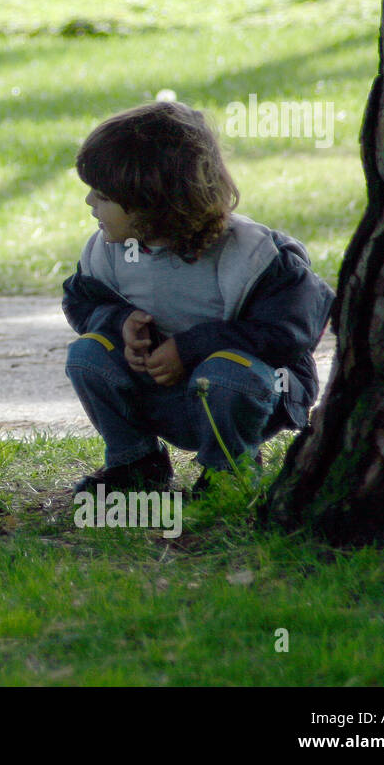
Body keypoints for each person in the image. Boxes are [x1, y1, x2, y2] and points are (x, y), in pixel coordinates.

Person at [60, 101, 335, 496]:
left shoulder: (251, 253)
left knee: (226, 371)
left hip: (251, 393)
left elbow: (290, 332)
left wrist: (189, 349)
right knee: (87, 354)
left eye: (102, 196)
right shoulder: (110, 250)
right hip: (166, 395)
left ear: (151, 202)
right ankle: (135, 464)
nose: (90, 204)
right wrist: (119, 322)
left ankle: (229, 472)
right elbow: (79, 300)